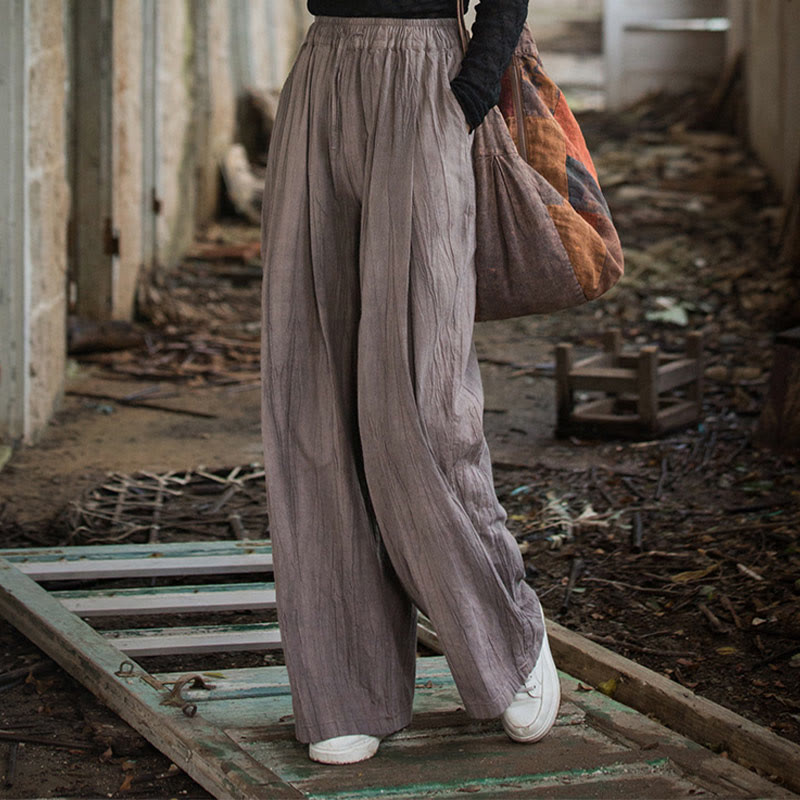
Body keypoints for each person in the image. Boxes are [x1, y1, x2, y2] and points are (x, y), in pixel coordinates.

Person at [260, 0, 560, 766]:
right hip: (323, 70)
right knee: (309, 386)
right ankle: (344, 684)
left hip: (427, 77)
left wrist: (469, 90)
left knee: (423, 399)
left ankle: (506, 637)